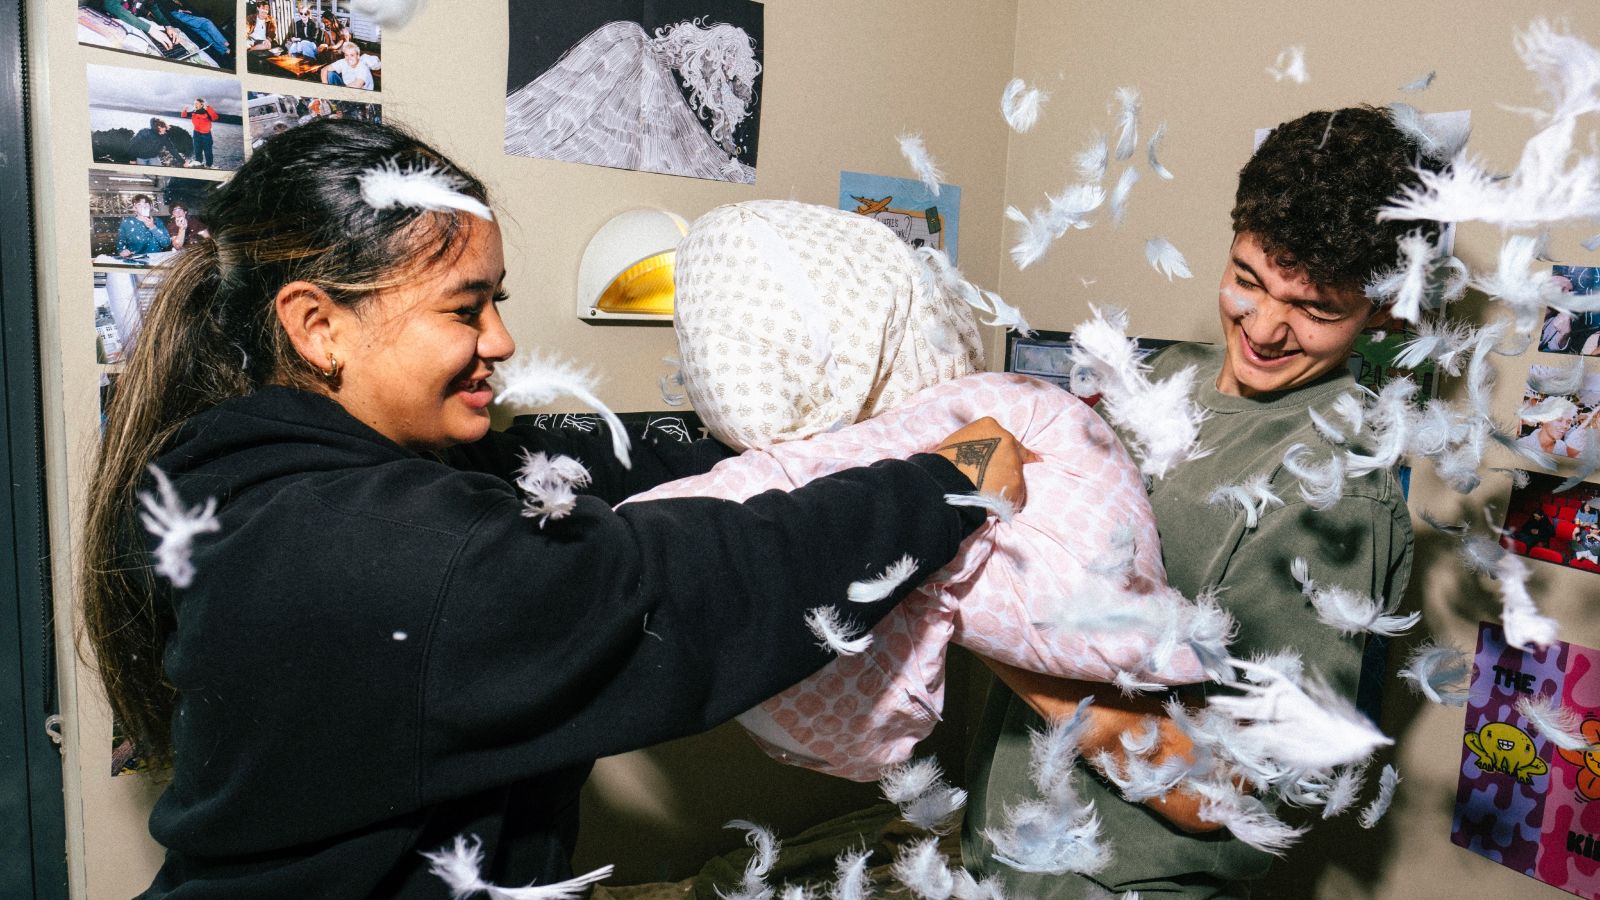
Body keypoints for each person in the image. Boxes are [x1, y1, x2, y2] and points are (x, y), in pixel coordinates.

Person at [79, 118, 1028, 898]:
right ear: (318, 325)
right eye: (465, 308)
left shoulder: (233, 475)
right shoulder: (382, 551)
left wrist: (801, 433)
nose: (502, 337)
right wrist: (951, 478)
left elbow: (577, 465)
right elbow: (691, 584)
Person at [963, 106, 1429, 898]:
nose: (1267, 328)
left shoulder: (1338, 492)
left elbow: (1227, 793)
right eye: (1249, 279)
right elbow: (1039, 519)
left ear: (1382, 309)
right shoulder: (1163, 376)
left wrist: (993, 628)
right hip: (1001, 856)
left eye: (1316, 310)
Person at [177, 97, 218, 168]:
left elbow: (215, 117)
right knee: (197, 150)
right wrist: (184, 110)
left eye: (196, 103)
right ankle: (198, 164)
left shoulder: (207, 111)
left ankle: (209, 166)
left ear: (202, 104)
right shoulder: (194, 112)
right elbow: (183, 116)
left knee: (208, 152)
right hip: (196, 134)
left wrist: (208, 107)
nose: (195, 105)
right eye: (194, 103)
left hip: (206, 135)